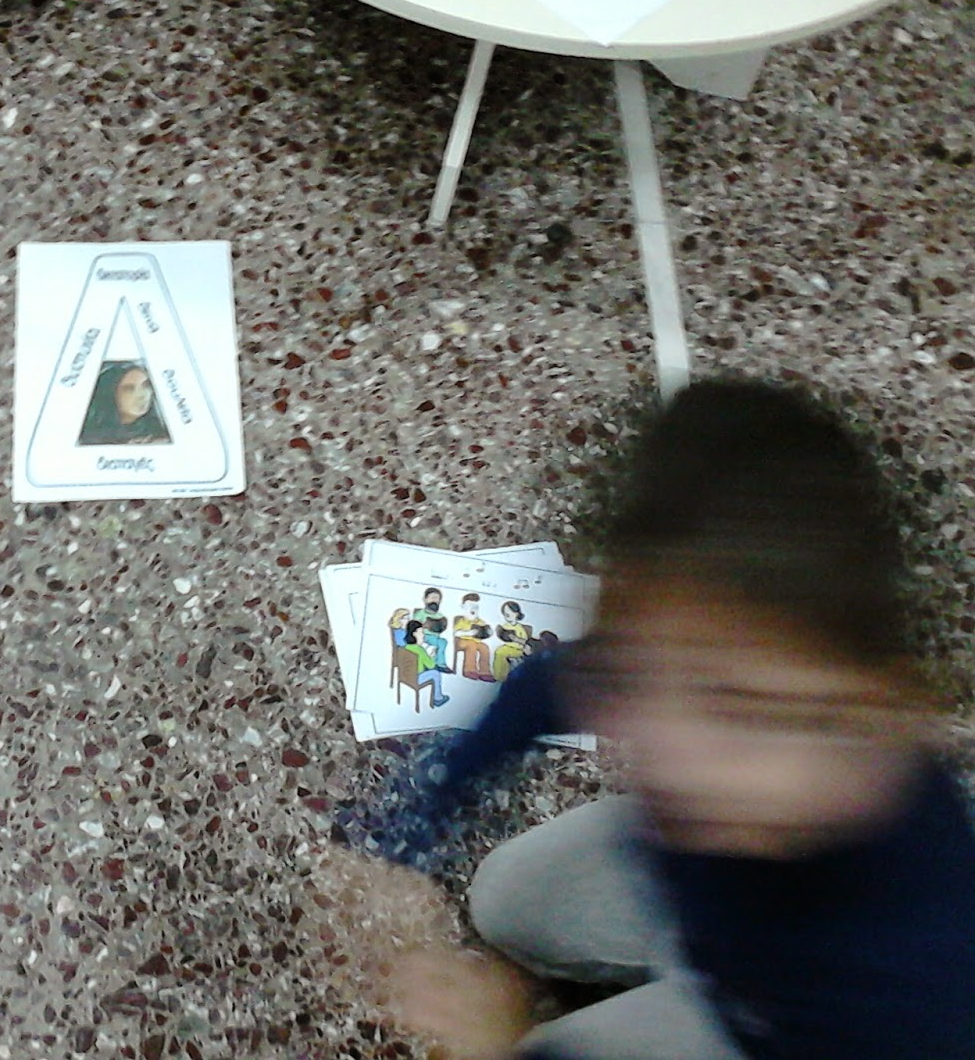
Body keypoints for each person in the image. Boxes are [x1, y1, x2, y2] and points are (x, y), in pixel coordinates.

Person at [335, 377, 975, 1060]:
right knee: (505, 897)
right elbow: (550, 681)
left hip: (777, 1027)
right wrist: (398, 833)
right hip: (719, 929)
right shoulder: (707, 688)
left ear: (889, 708)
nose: (671, 761)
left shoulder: (919, 993)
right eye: (642, 677)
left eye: (746, 710)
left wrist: (500, 1046)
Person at [77, 361, 171, 446]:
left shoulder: (160, 432)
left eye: (146, 385)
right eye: (129, 389)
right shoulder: (90, 435)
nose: (141, 395)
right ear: (111, 394)